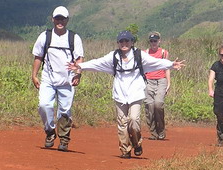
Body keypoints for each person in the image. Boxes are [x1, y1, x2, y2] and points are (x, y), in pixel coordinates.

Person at [67, 31, 184, 159]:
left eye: (127, 41)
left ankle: (137, 143)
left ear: (132, 42)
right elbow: (97, 63)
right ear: (118, 43)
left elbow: (155, 62)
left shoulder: (139, 55)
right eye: (121, 41)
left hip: (136, 93)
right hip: (120, 93)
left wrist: (171, 64)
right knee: (122, 123)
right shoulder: (114, 56)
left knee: (133, 120)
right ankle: (125, 150)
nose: (124, 44)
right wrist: (80, 66)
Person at [32, 6, 84, 152]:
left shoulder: (74, 38)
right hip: (48, 78)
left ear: (67, 20)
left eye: (63, 18)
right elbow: (38, 56)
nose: (60, 21)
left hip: (67, 80)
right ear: (52, 19)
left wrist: (78, 74)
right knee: (44, 105)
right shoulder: (45, 36)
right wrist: (34, 75)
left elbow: (79, 58)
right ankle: (50, 131)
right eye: (57, 18)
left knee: (65, 111)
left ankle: (64, 139)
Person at [143, 31, 171, 140]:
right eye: (151, 41)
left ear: (159, 41)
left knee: (158, 104)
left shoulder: (164, 53)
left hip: (161, 80)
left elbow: (167, 68)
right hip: (148, 80)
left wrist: (169, 83)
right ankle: (153, 132)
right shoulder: (145, 53)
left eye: (155, 41)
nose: (153, 43)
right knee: (149, 106)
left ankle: (161, 130)